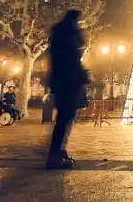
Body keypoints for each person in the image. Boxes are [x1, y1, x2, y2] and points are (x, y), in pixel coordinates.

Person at [46, 10, 89, 169]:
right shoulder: (69, 36)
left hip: (62, 81)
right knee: (65, 118)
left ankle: (59, 151)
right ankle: (55, 154)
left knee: (64, 118)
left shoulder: (60, 34)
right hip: (69, 81)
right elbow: (73, 58)